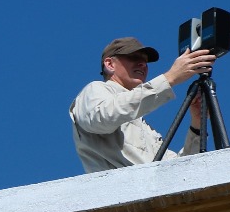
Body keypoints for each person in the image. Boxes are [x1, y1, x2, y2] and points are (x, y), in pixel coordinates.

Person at [70, 36, 216, 172]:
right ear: (109, 64)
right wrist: (169, 78)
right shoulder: (95, 89)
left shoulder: (141, 124)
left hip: (150, 189)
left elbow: (178, 170)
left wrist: (197, 123)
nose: (143, 64)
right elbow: (102, 118)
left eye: (145, 61)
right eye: (134, 58)